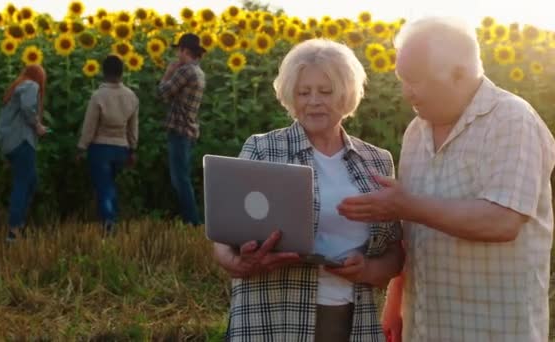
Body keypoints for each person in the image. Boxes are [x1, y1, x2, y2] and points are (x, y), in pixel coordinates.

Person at [336, 17, 555, 342]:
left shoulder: (511, 120)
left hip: (493, 326)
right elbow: (413, 234)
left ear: (460, 74)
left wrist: (406, 205)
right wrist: (395, 301)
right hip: (425, 323)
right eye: (401, 79)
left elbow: (502, 221)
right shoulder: (416, 133)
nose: (405, 90)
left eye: (416, 80)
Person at [213, 39, 404, 341]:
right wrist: (239, 263)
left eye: (325, 91)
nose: (314, 100)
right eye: (304, 92)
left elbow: (395, 251)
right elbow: (224, 236)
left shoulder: (376, 161)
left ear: (346, 94)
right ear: (291, 96)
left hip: (352, 318)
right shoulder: (263, 149)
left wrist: (367, 269)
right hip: (274, 316)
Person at [77, 55, 139, 235]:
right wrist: (133, 149)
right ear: (122, 73)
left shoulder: (98, 96)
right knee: (110, 185)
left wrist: (81, 147)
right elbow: (133, 127)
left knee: (104, 186)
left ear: (103, 73)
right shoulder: (131, 96)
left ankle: (109, 223)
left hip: (100, 148)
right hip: (121, 148)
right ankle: (110, 219)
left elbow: (90, 126)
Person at [158, 33, 206, 226]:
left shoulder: (185, 71)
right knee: (182, 177)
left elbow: (162, 93)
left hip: (179, 130)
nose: (177, 55)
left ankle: (192, 221)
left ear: (185, 51)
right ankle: (191, 220)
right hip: (189, 130)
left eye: (179, 50)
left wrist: (168, 72)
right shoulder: (199, 72)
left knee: (180, 179)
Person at [0, 64, 48, 242]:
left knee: (31, 181)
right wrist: (38, 126)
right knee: (23, 184)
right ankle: (13, 229)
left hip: (11, 143)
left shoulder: (16, 87)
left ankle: (19, 224)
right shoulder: (30, 86)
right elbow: (28, 109)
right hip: (22, 141)